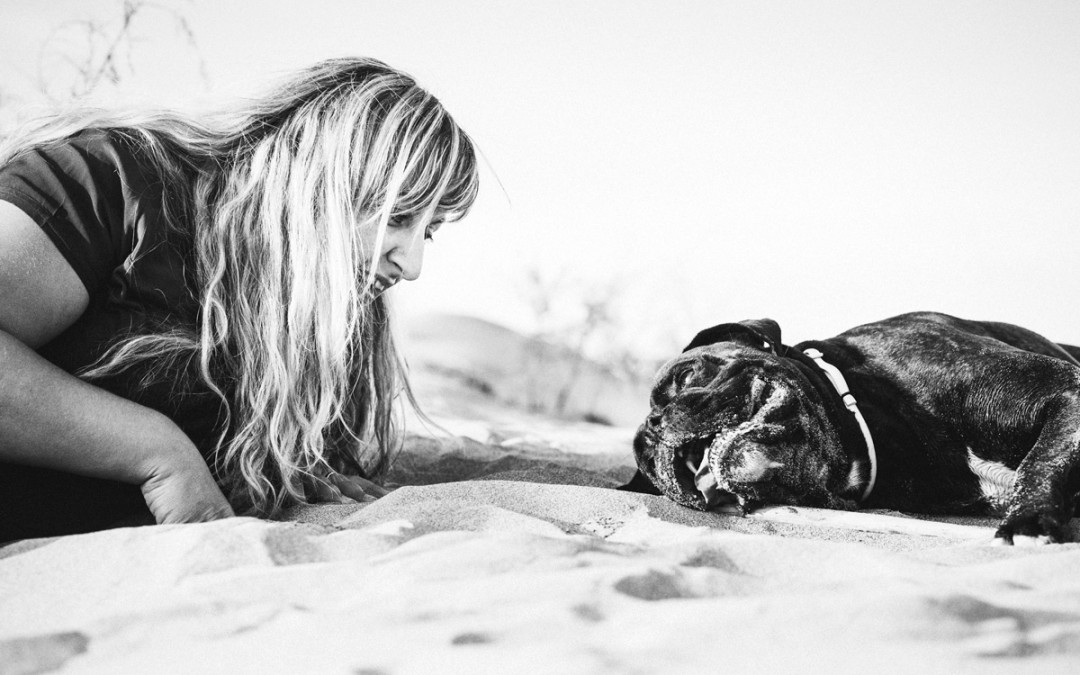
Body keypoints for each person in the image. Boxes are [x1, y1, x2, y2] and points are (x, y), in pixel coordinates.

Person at [0, 57, 479, 542]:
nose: (411, 265)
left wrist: (276, 467)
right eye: (397, 216)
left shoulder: (328, 303)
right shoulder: (112, 178)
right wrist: (156, 453)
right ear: (314, 183)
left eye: (430, 232)